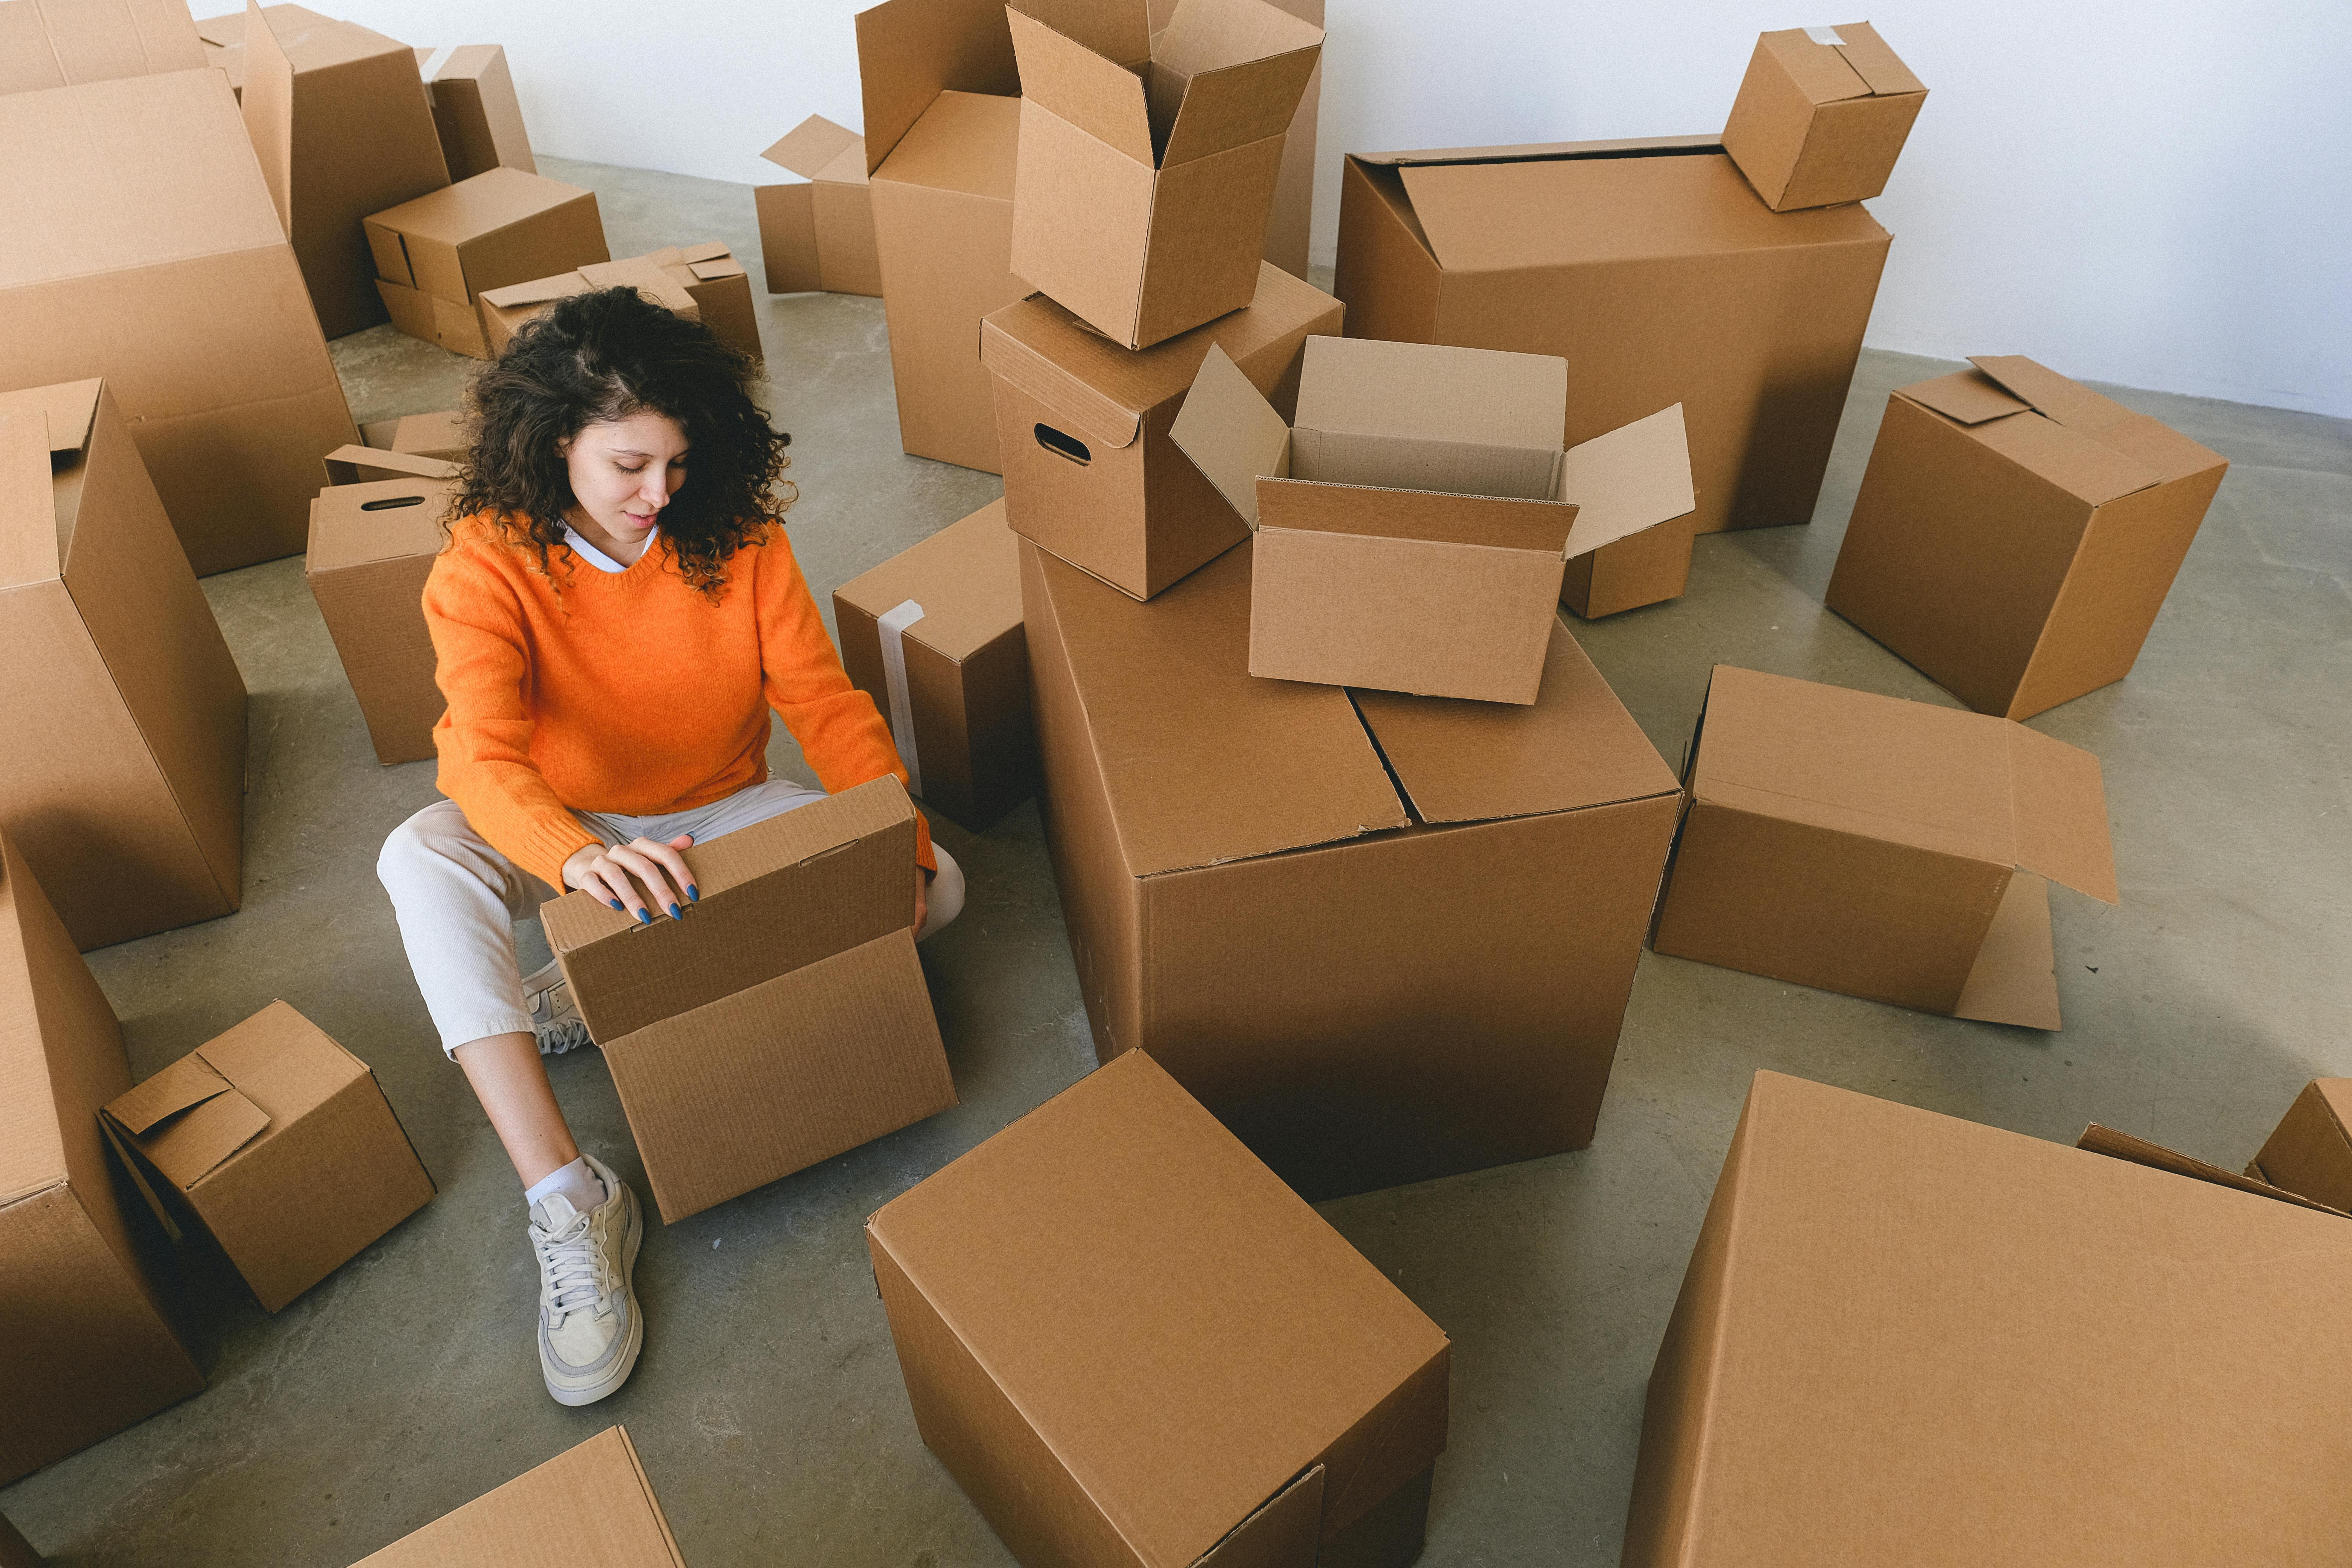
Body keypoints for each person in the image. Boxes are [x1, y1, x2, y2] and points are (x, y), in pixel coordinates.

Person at [375, 287, 960, 1407]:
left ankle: (581, 993)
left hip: (714, 811)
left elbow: (826, 706)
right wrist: (571, 856)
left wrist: (898, 840)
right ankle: (568, 1195)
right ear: (557, 447)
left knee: (940, 893)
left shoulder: (738, 536)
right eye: (631, 467)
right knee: (418, 854)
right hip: (567, 823)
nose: (661, 495)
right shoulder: (485, 561)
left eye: (679, 465)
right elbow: (481, 760)